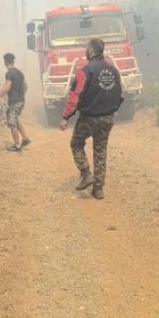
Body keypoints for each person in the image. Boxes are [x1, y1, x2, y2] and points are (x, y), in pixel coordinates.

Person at [59, 38, 124, 200]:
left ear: (91, 51)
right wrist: (112, 109)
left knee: (76, 144)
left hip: (89, 118)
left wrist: (66, 116)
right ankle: (98, 189)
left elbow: (75, 95)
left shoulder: (85, 71)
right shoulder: (113, 70)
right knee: (100, 151)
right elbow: (120, 95)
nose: (85, 52)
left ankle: (86, 174)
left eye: (86, 49)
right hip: (108, 118)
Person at [0, 52, 31, 152]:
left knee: (12, 123)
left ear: (5, 62)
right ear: (13, 61)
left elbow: (7, 88)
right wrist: (21, 95)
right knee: (15, 120)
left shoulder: (9, 73)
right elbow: (25, 86)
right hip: (20, 100)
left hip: (14, 102)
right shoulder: (19, 72)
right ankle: (25, 139)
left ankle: (17, 146)